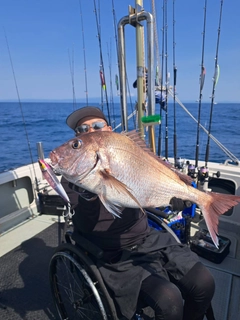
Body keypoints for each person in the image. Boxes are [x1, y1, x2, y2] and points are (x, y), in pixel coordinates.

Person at [61, 106, 215, 320]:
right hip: (112, 252)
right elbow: (86, 222)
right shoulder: (71, 177)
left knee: (205, 283)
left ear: (108, 129)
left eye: (96, 126)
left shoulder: (124, 153)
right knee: (169, 299)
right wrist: (86, 193)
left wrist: (174, 196)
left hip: (149, 239)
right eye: (81, 131)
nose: (89, 131)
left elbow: (146, 191)